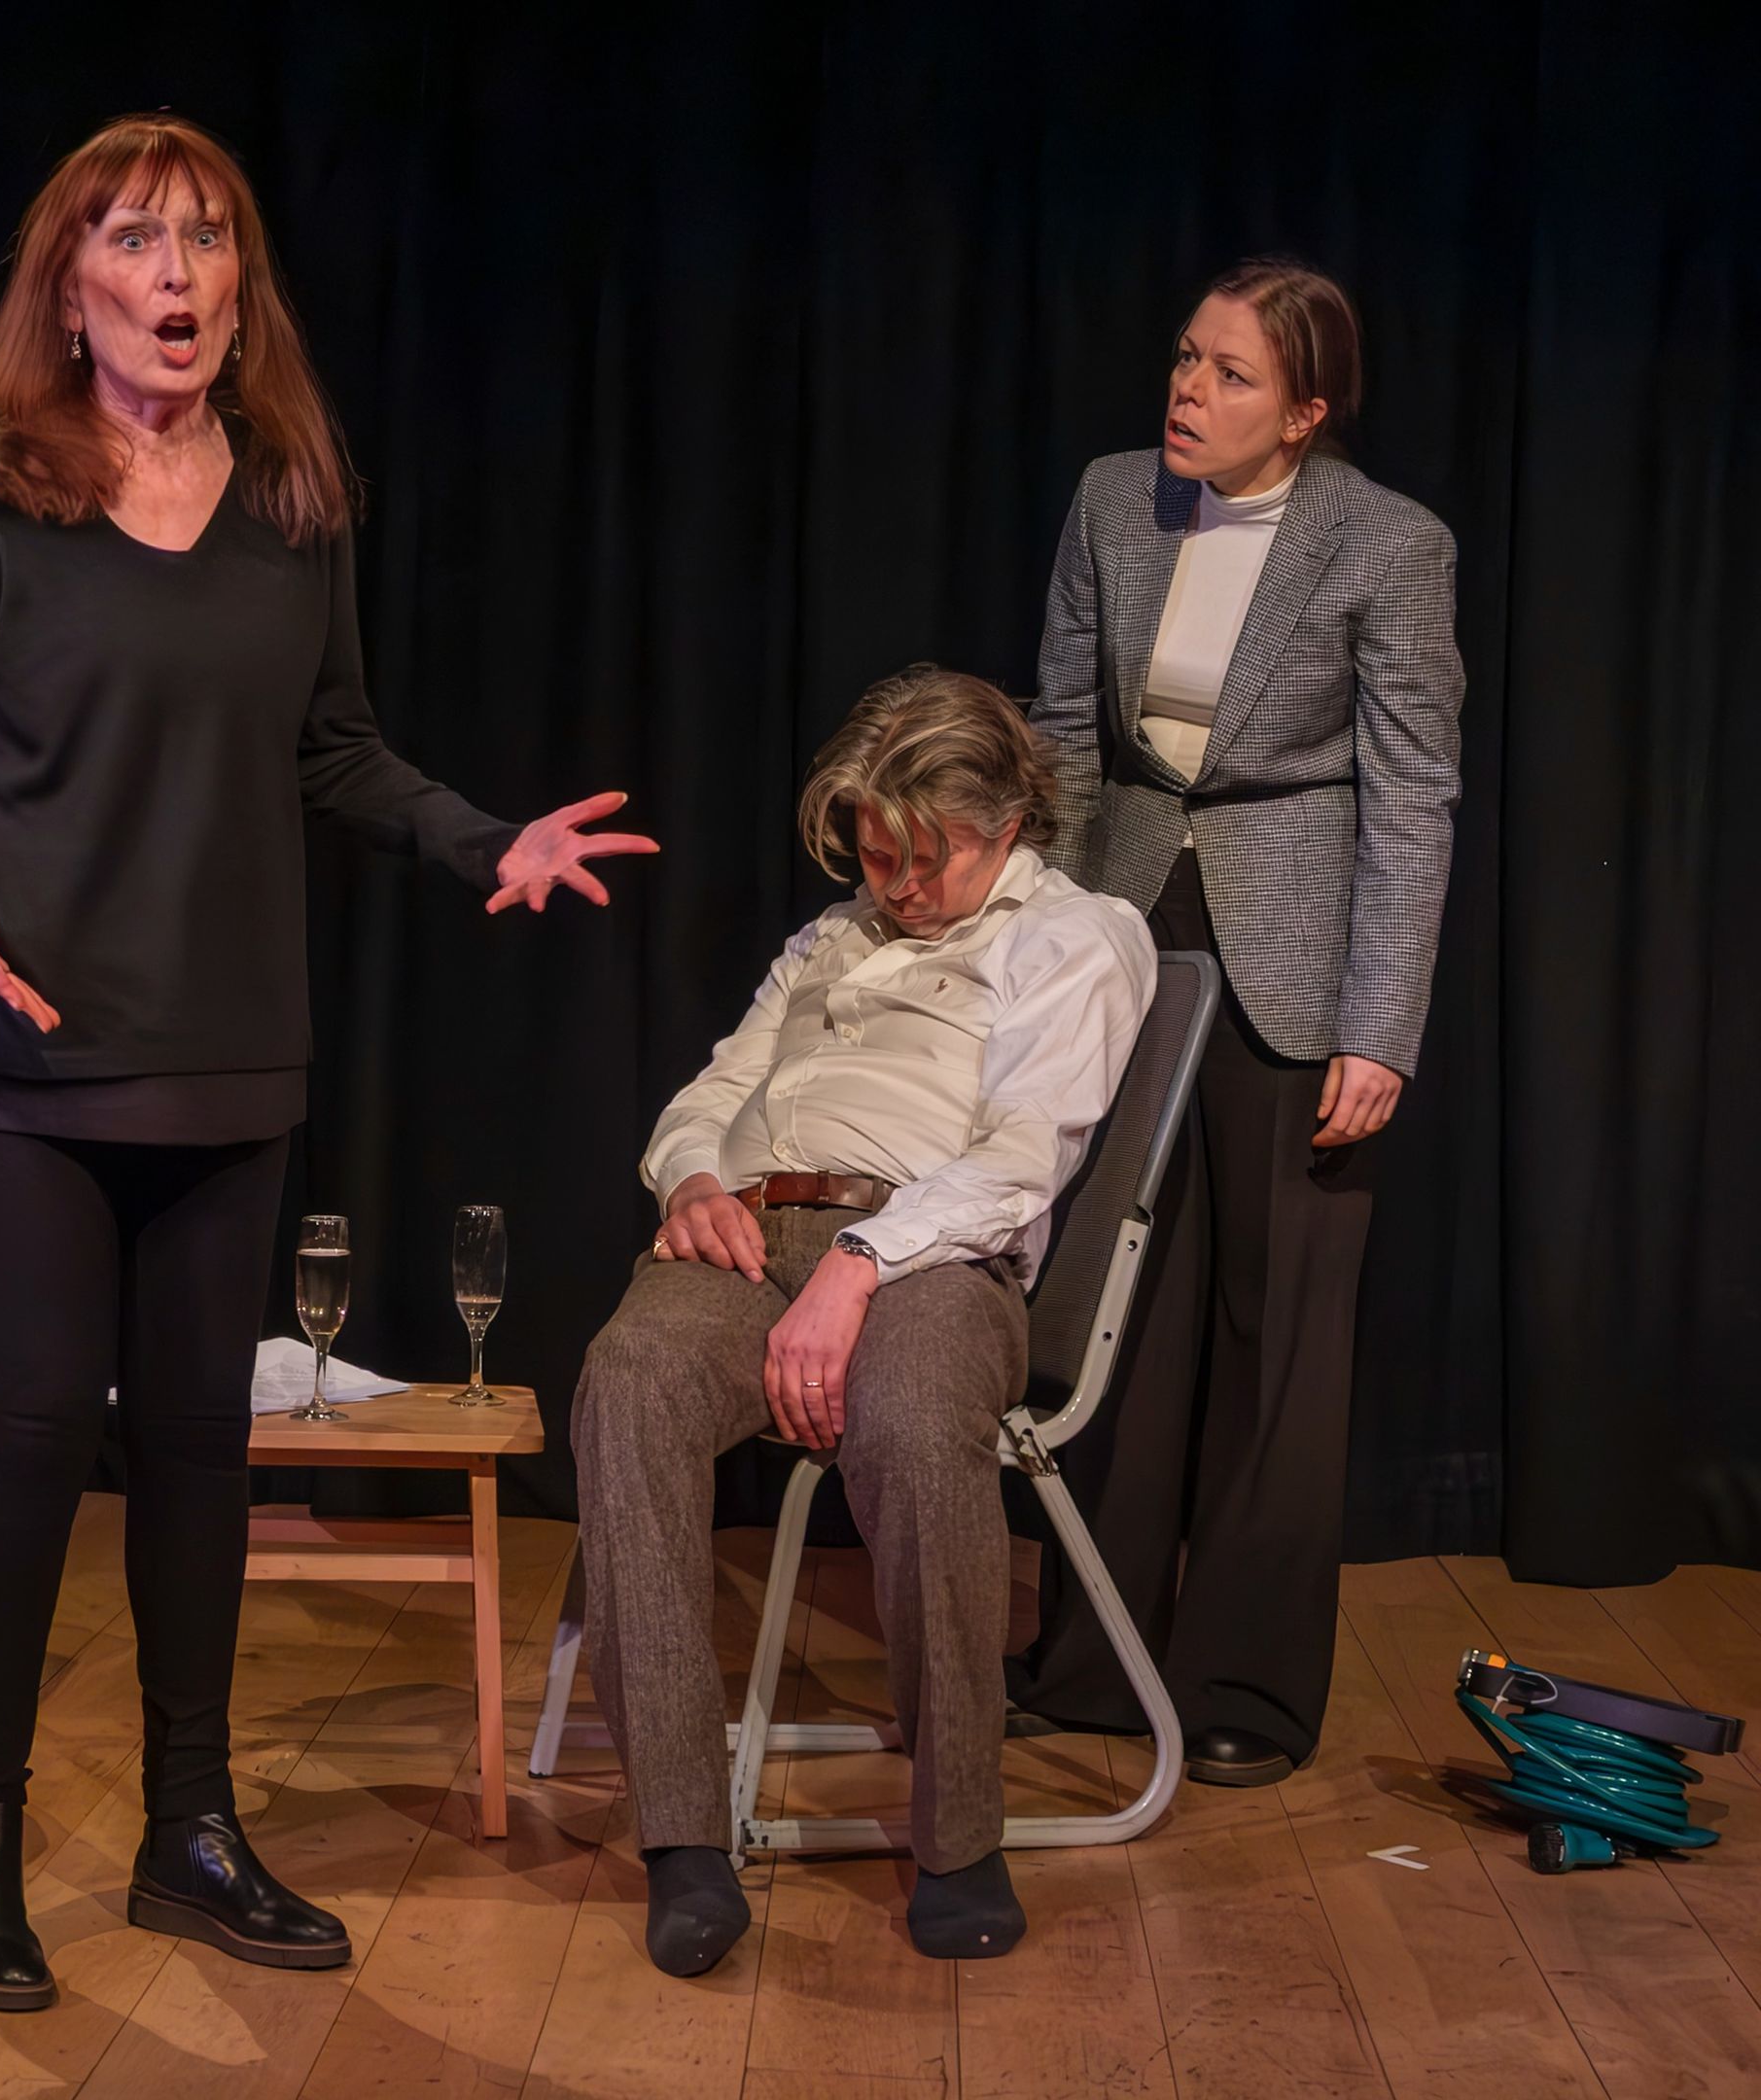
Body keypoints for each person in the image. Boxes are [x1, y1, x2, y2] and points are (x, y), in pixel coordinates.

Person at [0, 114, 657, 2012]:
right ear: (72, 291)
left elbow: (333, 746)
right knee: (33, 1426)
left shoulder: (292, 500)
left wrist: (484, 839)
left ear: (241, 287)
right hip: (23, 1040)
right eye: (139, 239)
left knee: (203, 1444)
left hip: (224, 1049)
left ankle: (190, 1831)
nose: (181, 273)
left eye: (209, 240)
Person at [571, 667, 1154, 1976]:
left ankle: (960, 1838)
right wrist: (694, 1178)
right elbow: (715, 1088)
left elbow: (1020, 1160)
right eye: (875, 855)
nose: (897, 885)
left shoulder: (1075, 936)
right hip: (746, 1232)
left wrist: (857, 1263)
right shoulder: (830, 938)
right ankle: (682, 1840)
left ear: (1009, 822)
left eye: (926, 858)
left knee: (911, 1416)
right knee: (629, 1379)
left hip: (932, 1254)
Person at [1014, 257, 1464, 1785]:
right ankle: (1091, 1664)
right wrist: (1043, 941)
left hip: (1299, 947)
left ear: (1306, 412)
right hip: (1134, 920)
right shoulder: (1113, 499)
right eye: (1185, 359)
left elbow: (1413, 793)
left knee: (1279, 1337)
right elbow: (1064, 735)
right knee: (1116, 1300)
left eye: (1231, 374)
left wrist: (1380, 1026)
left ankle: (1248, 1690)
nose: (1188, 391)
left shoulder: (1388, 543)